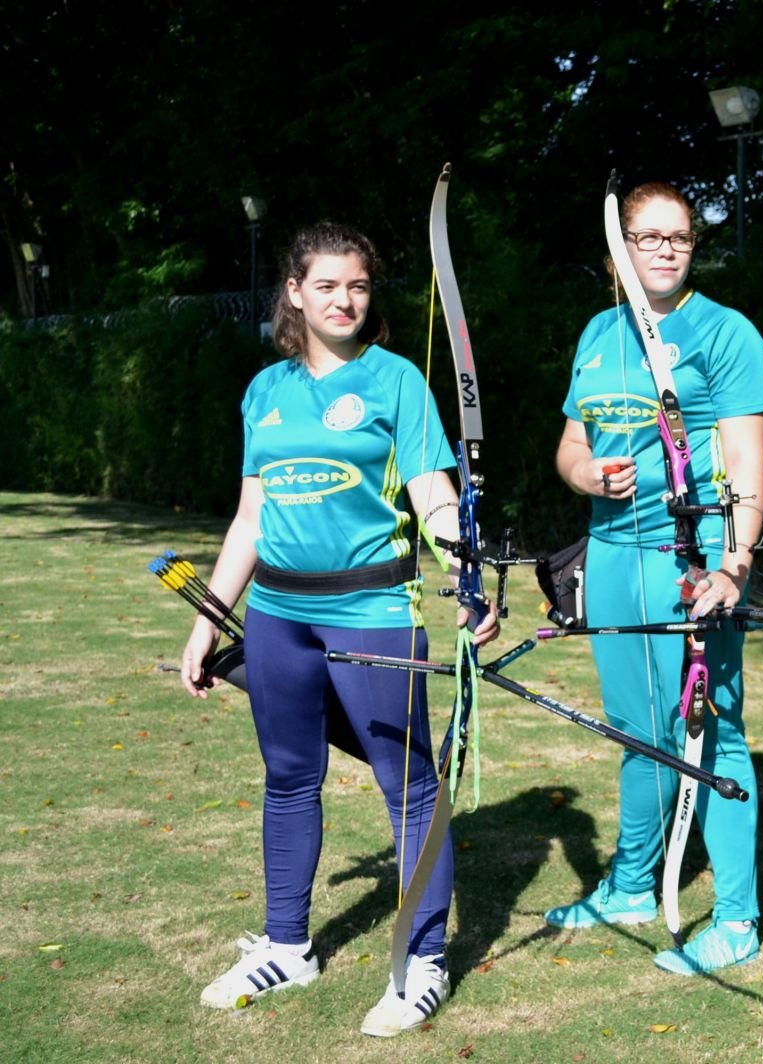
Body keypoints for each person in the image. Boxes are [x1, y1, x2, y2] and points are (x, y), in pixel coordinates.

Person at [181, 222, 499, 1036]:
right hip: (278, 615)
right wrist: (210, 620)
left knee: (408, 788)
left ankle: (422, 962)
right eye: (327, 286)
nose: (345, 300)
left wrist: (466, 567)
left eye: (357, 286)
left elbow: (432, 488)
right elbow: (252, 513)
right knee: (289, 776)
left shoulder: (395, 381)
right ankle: (286, 944)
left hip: (373, 611)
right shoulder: (266, 390)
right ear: (294, 292)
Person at [546, 182, 763, 975]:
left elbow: (747, 461)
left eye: (681, 236)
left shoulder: (725, 332)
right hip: (611, 557)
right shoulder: (598, 336)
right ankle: (632, 885)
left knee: (709, 732)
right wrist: (586, 476)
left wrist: (734, 566)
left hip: (692, 559)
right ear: (620, 250)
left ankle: (738, 919)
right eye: (650, 236)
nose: (668, 248)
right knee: (635, 731)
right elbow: (571, 445)